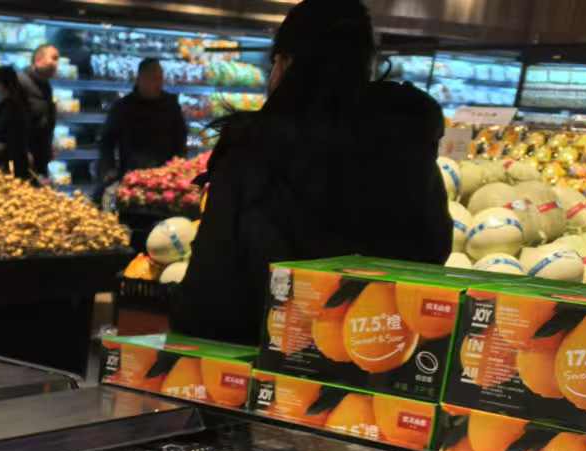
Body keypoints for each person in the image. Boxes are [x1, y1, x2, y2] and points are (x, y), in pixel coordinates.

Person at [171, 0, 450, 343]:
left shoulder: (254, 150)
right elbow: (431, 253)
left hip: (263, 356)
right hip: (373, 352)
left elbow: (210, 292)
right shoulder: (406, 143)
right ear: (366, 64)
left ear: (286, 63)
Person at [96, 58, 187, 198]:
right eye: (153, 78)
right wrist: (109, 168)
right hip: (131, 176)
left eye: (160, 78)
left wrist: (179, 168)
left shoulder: (171, 105)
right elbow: (107, 141)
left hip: (166, 179)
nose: (159, 83)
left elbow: (181, 138)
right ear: (140, 79)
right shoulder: (123, 107)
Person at [18, 43, 59, 181]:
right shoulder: (20, 82)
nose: (56, 64)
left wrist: (48, 146)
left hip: (39, 159)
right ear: (38, 60)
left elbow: (44, 119)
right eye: (53, 58)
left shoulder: (46, 86)